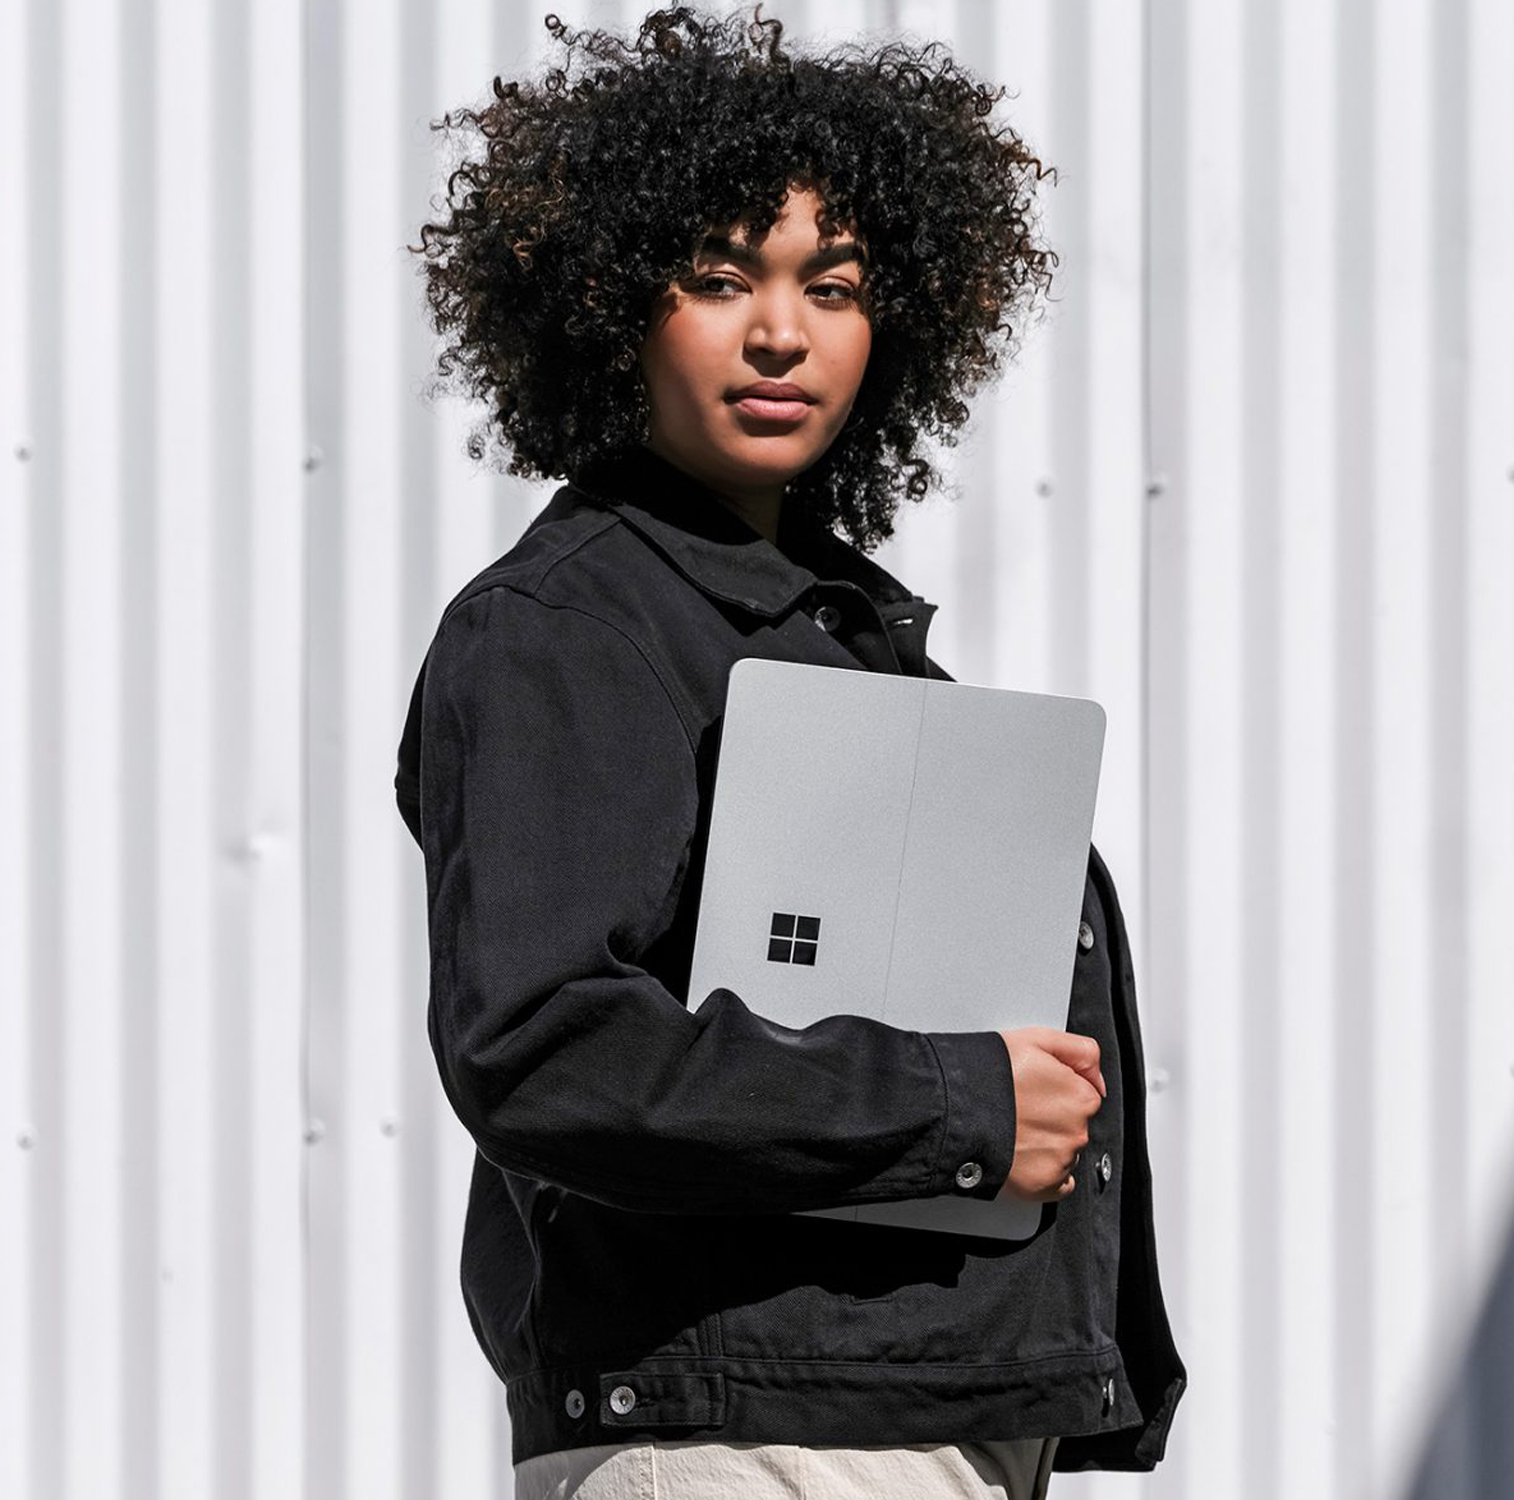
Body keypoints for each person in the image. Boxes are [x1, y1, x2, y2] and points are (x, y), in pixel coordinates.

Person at [395, 9, 1185, 1497]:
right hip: (743, 1442)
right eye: (717, 279)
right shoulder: (567, 631)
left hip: (884, 1421)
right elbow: (546, 1047)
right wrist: (958, 1109)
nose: (782, 333)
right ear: (608, 302)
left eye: (831, 286)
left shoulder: (824, 632)